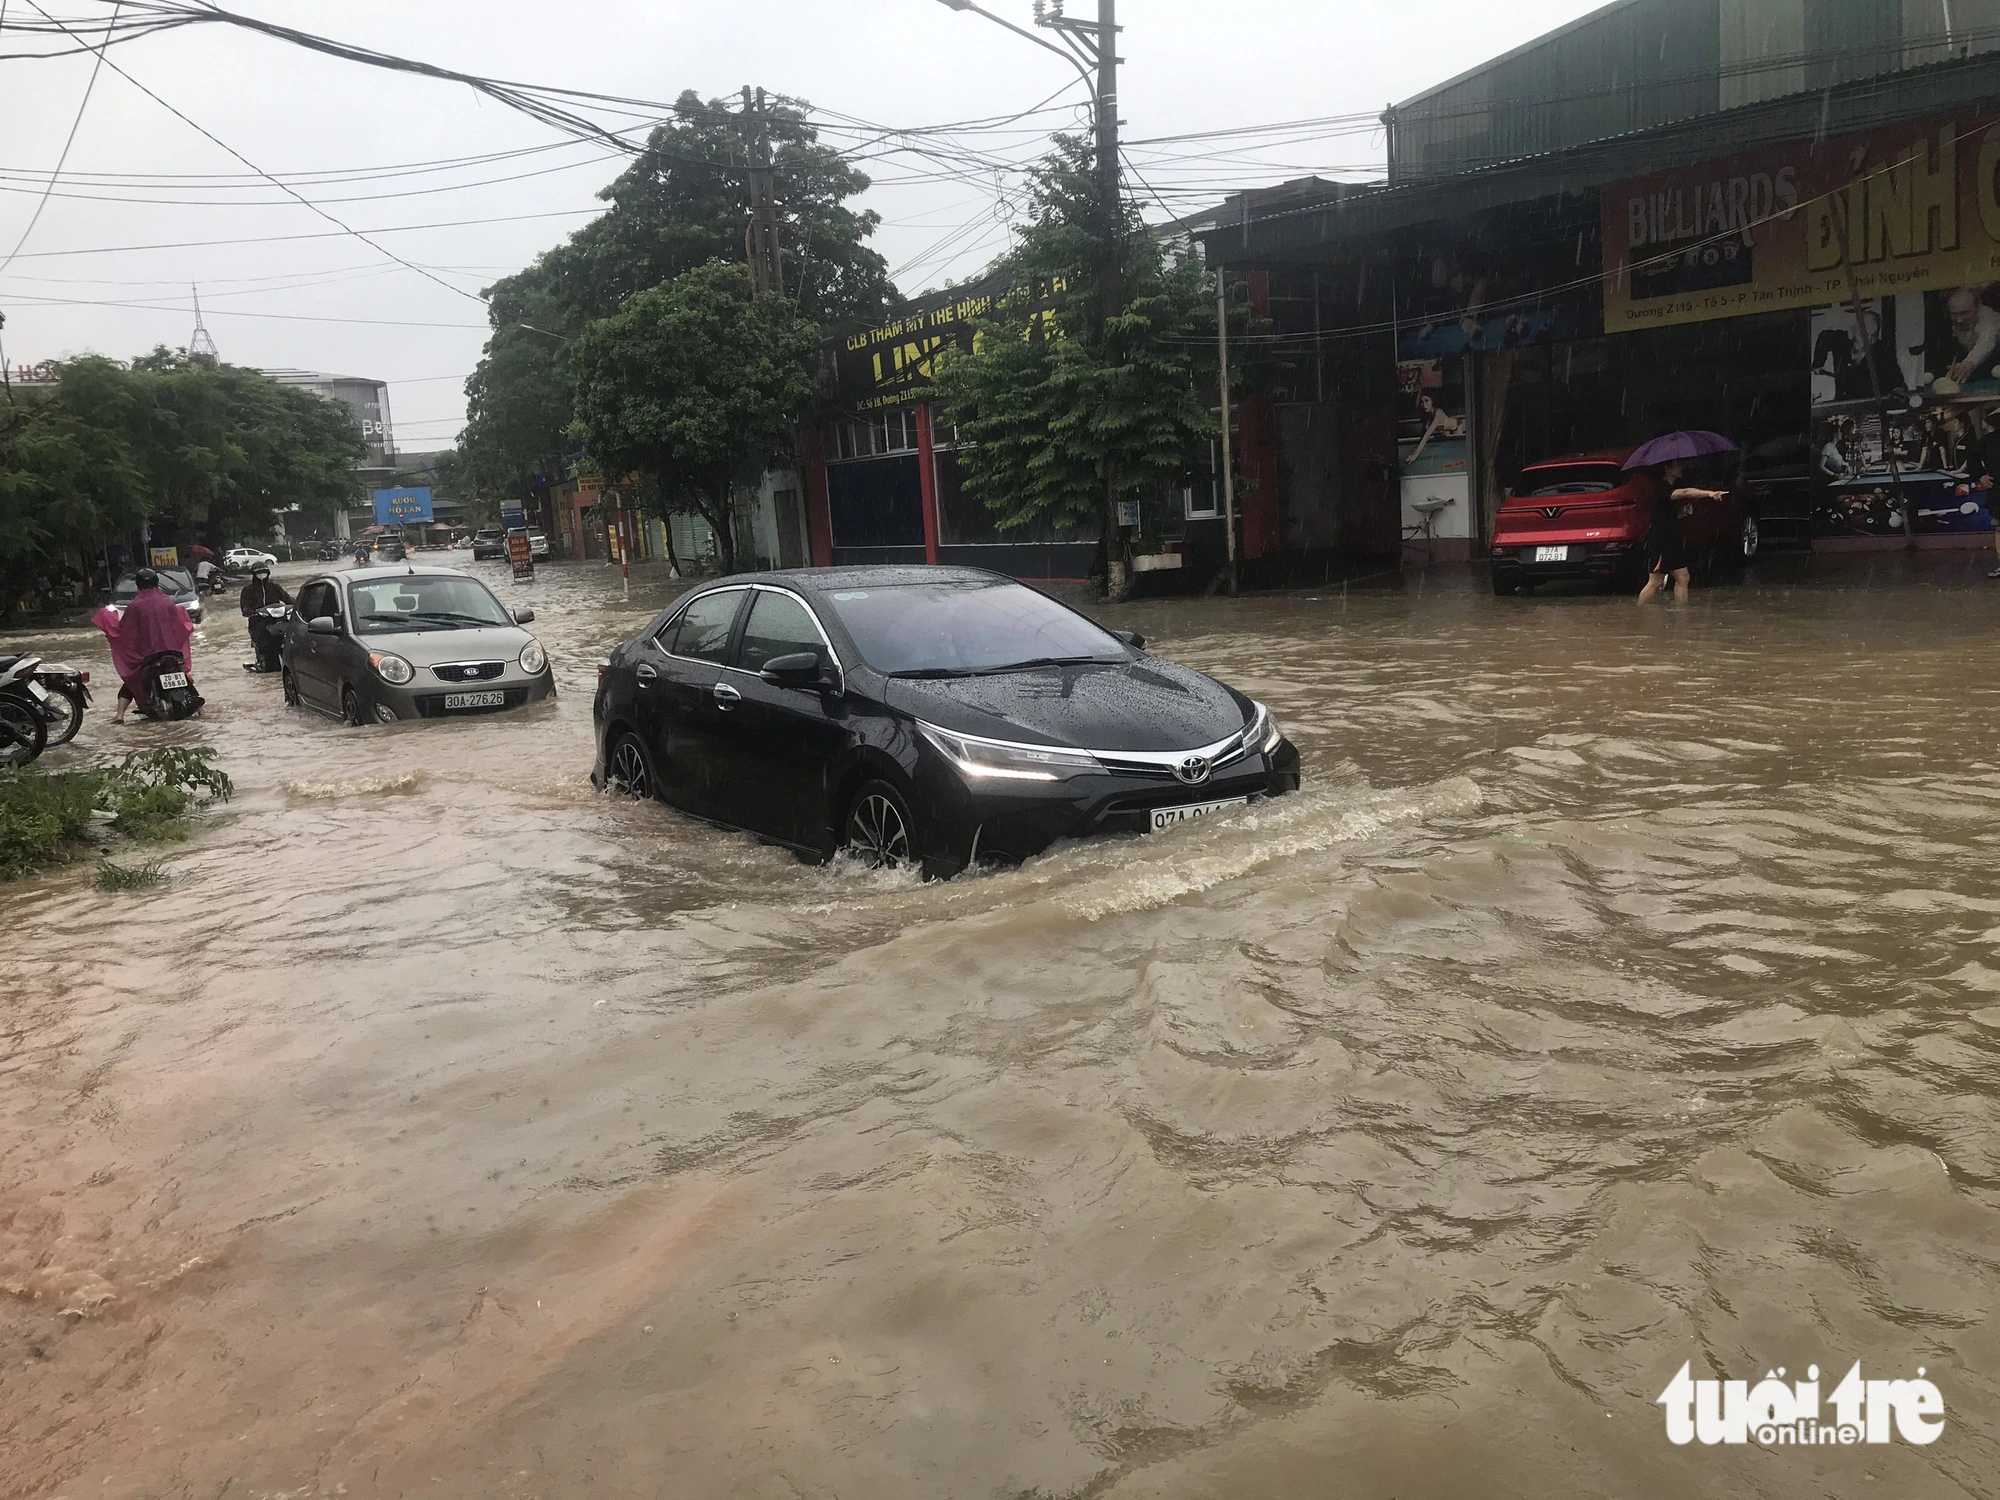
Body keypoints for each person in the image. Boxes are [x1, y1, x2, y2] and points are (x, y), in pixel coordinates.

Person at [92, 568, 194, 723]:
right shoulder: (168, 602)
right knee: (184, 677)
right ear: (157, 583)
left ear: (138, 585)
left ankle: (119, 716)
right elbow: (180, 626)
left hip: (148, 657)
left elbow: (125, 631)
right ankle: (201, 710)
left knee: (133, 680)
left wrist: (107, 620)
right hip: (172, 653)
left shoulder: (135, 606)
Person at [1636, 459, 1729, 606]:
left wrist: (1682, 513)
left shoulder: (1668, 489)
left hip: (1672, 541)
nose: (1681, 468)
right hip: (1661, 542)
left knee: (1683, 577)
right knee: (1655, 582)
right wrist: (1710, 494)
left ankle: (1681, 617)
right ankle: (1638, 613)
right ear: (1667, 469)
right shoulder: (1662, 488)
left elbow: (1665, 515)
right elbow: (1685, 492)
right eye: (1677, 466)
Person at [239, 563, 294, 671]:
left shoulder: (275, 587)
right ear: (254, 574)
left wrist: (297, 606)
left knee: (289, 637)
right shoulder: (248, 590)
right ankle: (264, 663)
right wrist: (252, 612)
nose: (261, 575)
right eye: (258, 573)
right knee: (263, 642)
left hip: (278, 619)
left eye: (263, 572)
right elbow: (244, 607)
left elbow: (288, 599)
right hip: (258, 620)